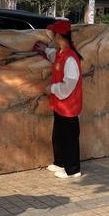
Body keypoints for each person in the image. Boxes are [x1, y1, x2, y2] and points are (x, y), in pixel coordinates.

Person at [34, 19, 83, 179]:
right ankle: (60, 162)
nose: (51, 36)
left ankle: (73, 169)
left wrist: (52, 89)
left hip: (69, 106)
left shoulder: (70, 58)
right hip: (60, 105)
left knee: (69, 138)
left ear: (59, 36)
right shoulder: (61, 53)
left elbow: (70, 82)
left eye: (53, 33)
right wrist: (45, 50)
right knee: (59, 135)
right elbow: (54, 57)